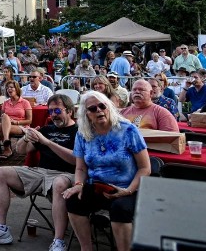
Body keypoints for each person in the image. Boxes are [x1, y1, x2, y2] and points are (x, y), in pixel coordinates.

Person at [0, 94, 78, 250]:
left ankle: (59, 241)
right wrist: (26, 137)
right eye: (50, 112)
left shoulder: (78, 131)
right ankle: (1, 229)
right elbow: (21, 151)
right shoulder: (47, 129)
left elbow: (76, 160)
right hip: (41, 172)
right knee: (0, 172)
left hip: (66, 174)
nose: (53, 116)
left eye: (57, 111)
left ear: (69, 111)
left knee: (59, 183)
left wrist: (48, 143)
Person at [63, 91, 150, 251]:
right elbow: (81, 167)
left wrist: (128, 190)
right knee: (73, 200)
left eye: (102, 106)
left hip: (128, 188)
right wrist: (78, 184)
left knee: (120, 208)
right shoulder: (83, 134)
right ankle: (86, 248)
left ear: (109, 107)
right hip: (97, 187)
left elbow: (145, 168)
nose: (99, 111)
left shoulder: (128, 130)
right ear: (86, 114)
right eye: (93, 109)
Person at [0, 80, 32, 158]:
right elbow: (1, 118)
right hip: (7, 124)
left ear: (17, 89)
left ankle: (7, 148)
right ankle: (7, 141)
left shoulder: (25, 102)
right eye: (7, 88)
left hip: (21, 126)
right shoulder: (5, 103)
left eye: (11, 87)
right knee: (4, 117)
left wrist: (15, 122)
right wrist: (7, 120)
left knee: (0, 127)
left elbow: (30, 120)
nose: (9, 89)